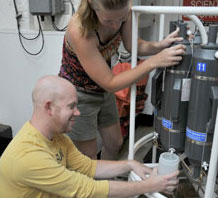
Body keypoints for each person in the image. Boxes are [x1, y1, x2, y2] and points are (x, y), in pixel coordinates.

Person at [0, 75, 180, 198]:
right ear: (49, 107)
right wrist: (150, 186)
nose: (77, 113)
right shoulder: (29, 157)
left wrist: (130, 164)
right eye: (71, 106)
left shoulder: (57, 136)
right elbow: (88, 189)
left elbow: (88, 167)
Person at [59, 0, 186, 159]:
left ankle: (107, 183)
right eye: (108, 20)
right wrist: (154, 61)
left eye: (121, 19)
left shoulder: (123, 12)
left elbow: (134, 46)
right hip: (78, 95)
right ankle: (95, 184)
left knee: (115, 143)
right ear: (91, 4)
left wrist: (161, 45)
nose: (115, 26)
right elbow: (110, 82)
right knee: (87, 158)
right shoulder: (80, 30)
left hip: (102, 91)